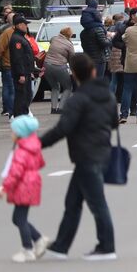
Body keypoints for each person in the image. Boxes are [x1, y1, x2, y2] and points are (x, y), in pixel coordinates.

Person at [40, 54, 118, 260]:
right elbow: (114, 123)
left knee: (97, 204)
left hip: (86, 156)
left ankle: (107, 246)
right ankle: (60, 246)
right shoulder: (108, 95)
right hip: (102, 152)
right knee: (72, 202)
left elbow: (63, 128)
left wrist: (37, 144)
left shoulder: (78, 100)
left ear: (74, 75)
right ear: (93, 71)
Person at [0, 114, 48, 263]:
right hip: (33, 183)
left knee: (19, 218)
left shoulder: (21, 152)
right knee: (19, 217)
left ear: (21, 134)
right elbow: (40, 163)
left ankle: (28, 249)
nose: (11, 134)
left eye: (13, 132)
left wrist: (4, 188)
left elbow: (15, 173)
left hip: (23, 185)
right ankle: (38, 239)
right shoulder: (33, 148)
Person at [7, 15, 38, 117]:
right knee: (22, 96)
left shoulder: (21, 37)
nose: (26, 27)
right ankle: (19, 116)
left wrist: (33, 69)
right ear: (19, 25)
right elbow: (18, 58)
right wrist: (21, 74)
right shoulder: (17, 39)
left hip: (26, 72)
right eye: (25, 24)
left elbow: (27, 56)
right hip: (22, 73)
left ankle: (23, 115)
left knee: (26, 96)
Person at [43, 26, 75, 115]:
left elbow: (51, 43)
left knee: (54, 87)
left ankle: (53, 108)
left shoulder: (53, 39)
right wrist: (73, 71)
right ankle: (61, 108)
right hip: (59, 66)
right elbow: (72, 59)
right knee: (68, 87)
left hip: (47, 65)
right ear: (69, 35)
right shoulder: (69, 45)